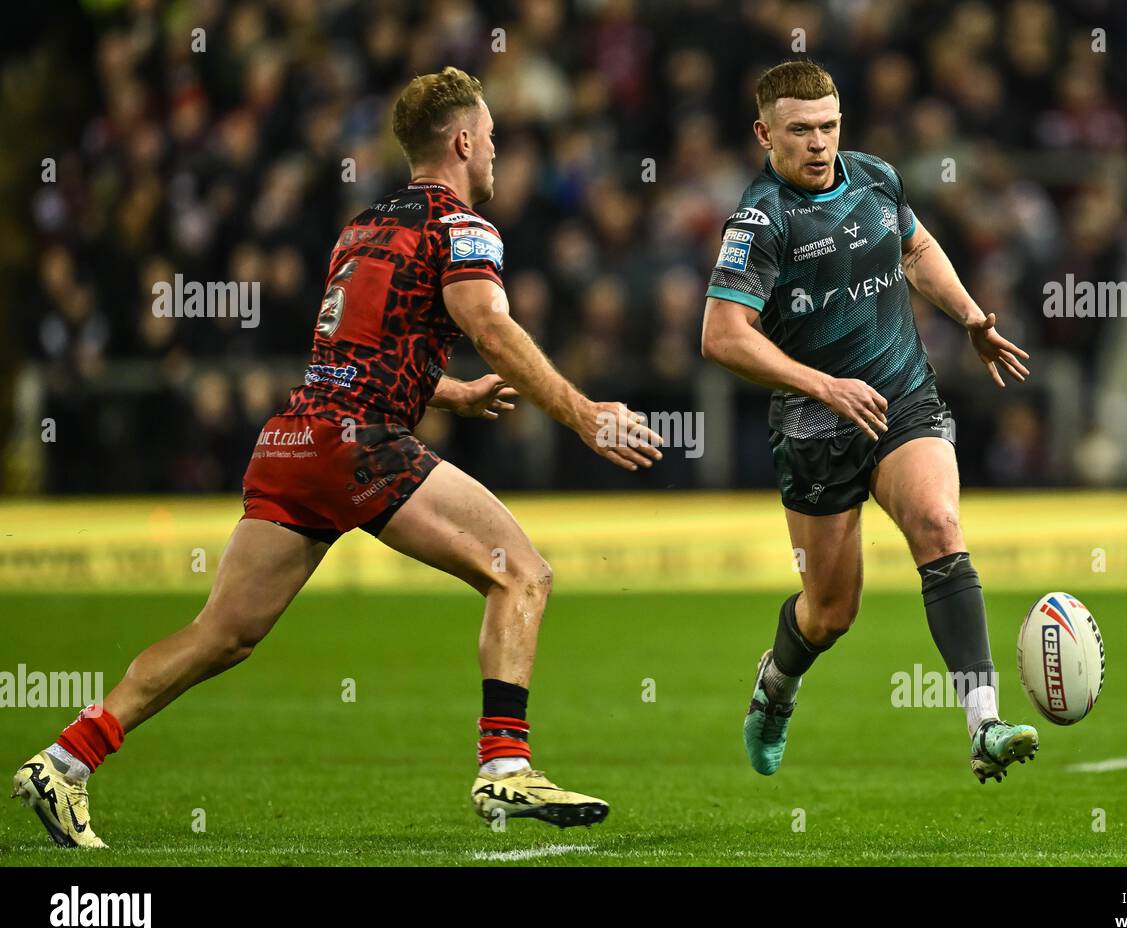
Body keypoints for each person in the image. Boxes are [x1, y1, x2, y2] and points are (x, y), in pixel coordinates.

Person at [12, 67, 661, 847]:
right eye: (490, 139)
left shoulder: (361, 226)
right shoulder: (463, 225)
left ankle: (67, 758)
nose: (494, 154)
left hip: (296, 438)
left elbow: (354, 352)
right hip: (361, 444)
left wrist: (450, 396)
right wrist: (585, 414)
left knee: (222, 633)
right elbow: (491, 328)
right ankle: (506, 771)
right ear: (462, 141)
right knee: (521, 572)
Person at [700, 61, 1038, 783]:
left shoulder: (877, 178)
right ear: (765, 134)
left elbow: (914, 249)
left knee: (939, 526)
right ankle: (777, 686)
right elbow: (722, 334)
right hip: (814, 429)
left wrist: (971, 317)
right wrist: (822, 385)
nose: (818, 143)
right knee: (830, 612)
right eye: (800, 130)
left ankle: (983, 723)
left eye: (828, 126)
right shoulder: (761, 222)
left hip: (902, 398)